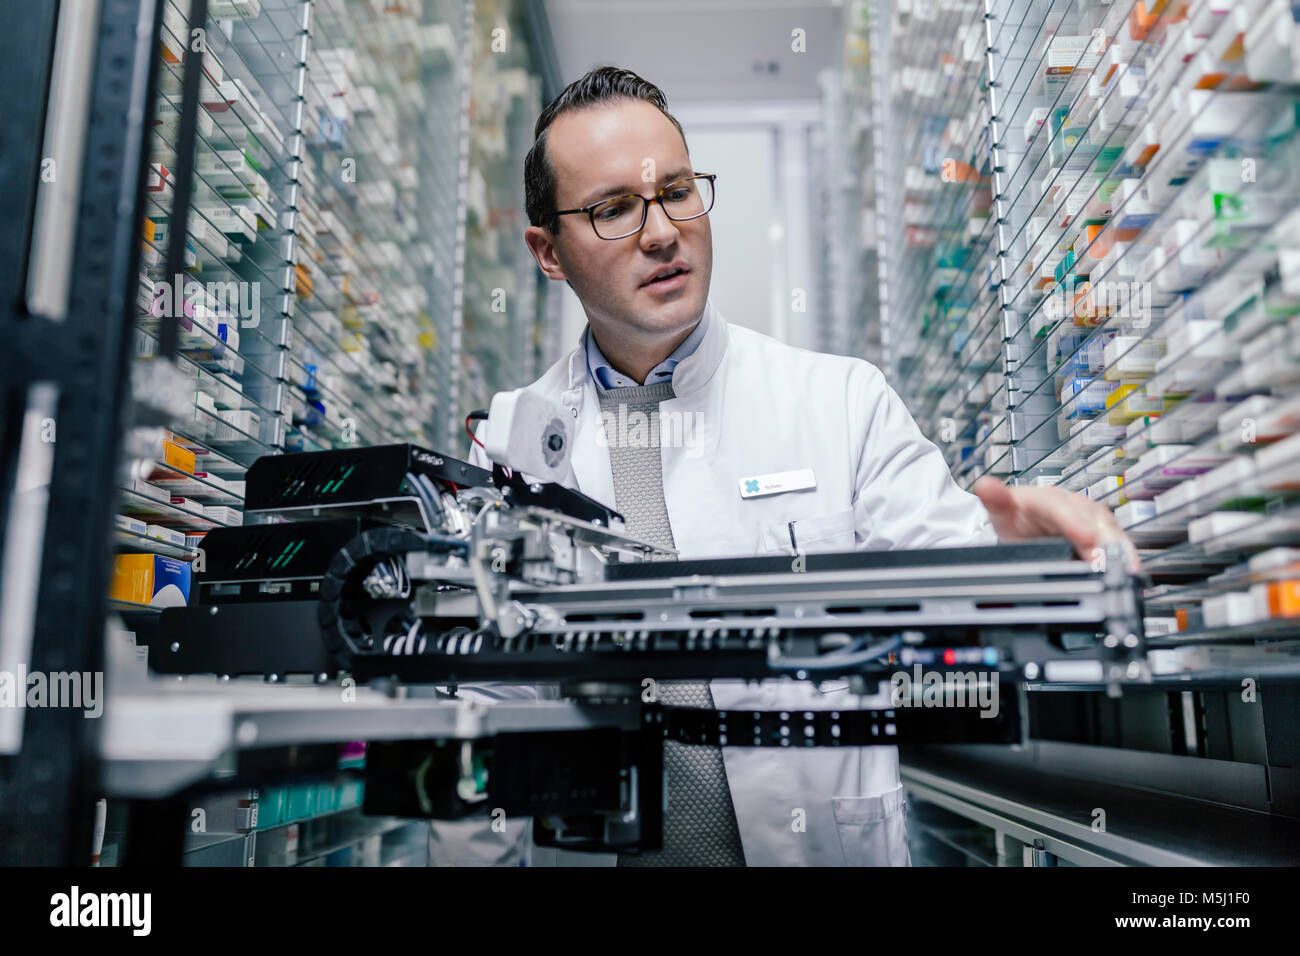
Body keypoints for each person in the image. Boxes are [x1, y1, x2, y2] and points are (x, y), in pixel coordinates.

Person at [435, 66, 1135, 867]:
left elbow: (958, 588)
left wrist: (1012, 552)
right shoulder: (510, 448)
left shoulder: (839, 401)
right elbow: (483, 715)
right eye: (614, 210)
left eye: (675, 191)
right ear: (548, 251)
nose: (662, 232)